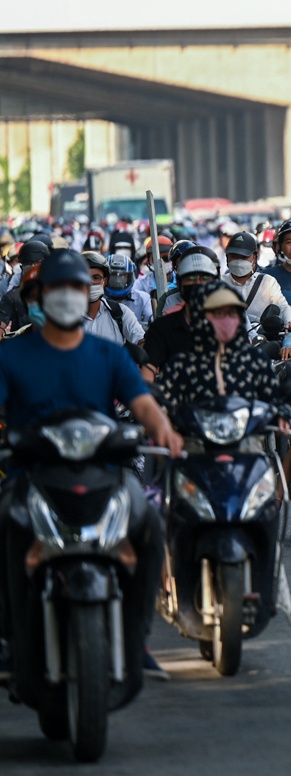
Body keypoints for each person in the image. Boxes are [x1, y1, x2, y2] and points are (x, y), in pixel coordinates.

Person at [0, 251, 183, 687]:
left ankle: (137, 641)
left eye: (75, 288)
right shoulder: (11, 356)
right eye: (55, 289)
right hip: (32, 478)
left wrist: (165, 431)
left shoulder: (109, 354)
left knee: (151, 527)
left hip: (106, 475)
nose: (66, 297)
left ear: (88, 294)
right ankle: (11, 642)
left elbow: (142, 403)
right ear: (36, 298)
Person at [154, 280, 281, 411]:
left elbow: (275, 405)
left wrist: (283, 419)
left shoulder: (256, 361)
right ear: (199, 316)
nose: (226, 320)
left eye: (232, 313)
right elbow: (163, 411)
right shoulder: (181, 365)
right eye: (218, 314)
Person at [141, 248, 220, 377]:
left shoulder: (230, 324)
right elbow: (148, 371)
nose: (198, 283)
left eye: (205, 278)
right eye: (191, 278)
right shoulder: (161, 328)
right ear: (179, 283)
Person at [222, 230, 291, 331]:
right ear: (227, 257)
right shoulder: (219, 283)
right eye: (234, 256)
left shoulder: (268, 282)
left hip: (263, 340)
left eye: (244, 257)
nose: (238, 261)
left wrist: (290, 322)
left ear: (255, 258)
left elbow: (283, 306)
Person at [80, 251, 145, 347]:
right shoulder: (64, 316)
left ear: (105, 281)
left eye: (96, 277)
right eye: (85, 277)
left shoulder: (121, 313)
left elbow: (141, 340)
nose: (90, 283)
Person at [0, 238, 50, 334]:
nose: (32, 267)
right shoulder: (12, 296)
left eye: (37, 262)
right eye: (28, 263)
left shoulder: (56, 293)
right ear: (22, 266)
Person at [106, 253, 154, 328]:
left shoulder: (144, 299)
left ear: (130, 277)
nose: (118, 281)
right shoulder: (98, 300)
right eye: (113, 276)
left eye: (122, 276)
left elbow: (150, 321)